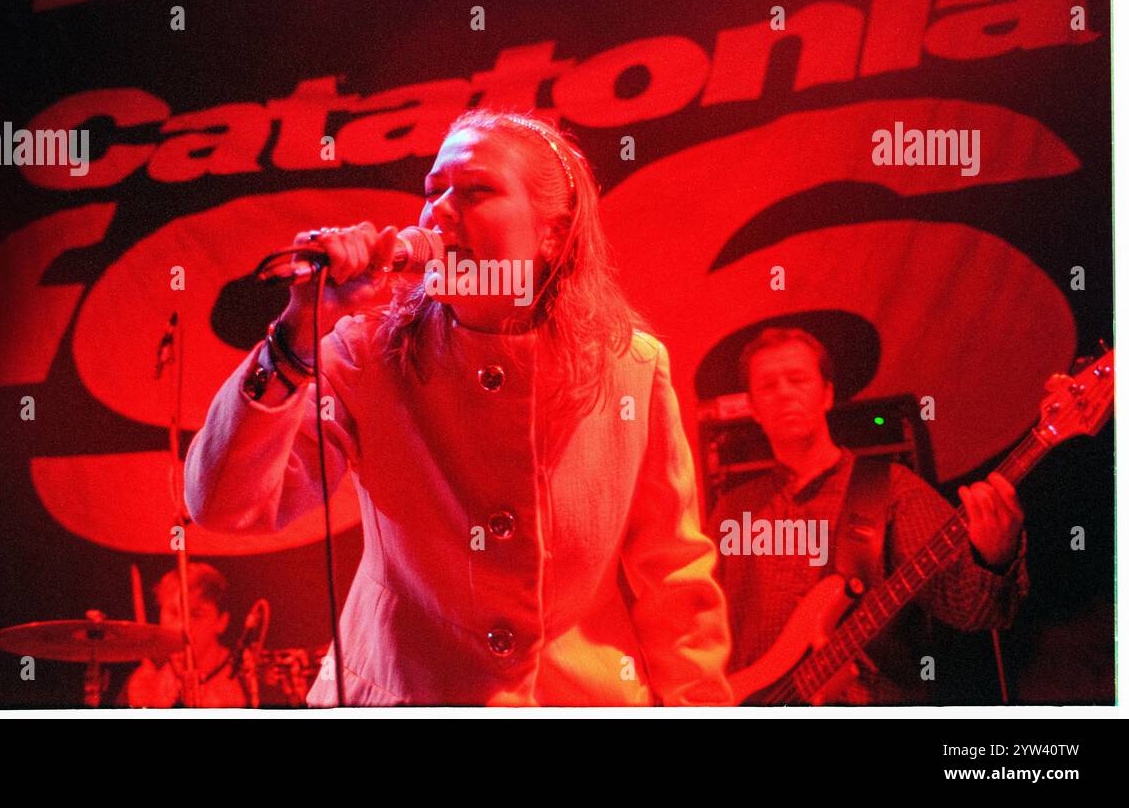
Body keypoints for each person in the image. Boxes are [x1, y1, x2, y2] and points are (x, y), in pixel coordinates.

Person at [185, 109, 732, 706]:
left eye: (475, 190)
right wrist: (294, 335)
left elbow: (673, 574)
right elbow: (223, 505)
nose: (438, 210)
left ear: (552, 231)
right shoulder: (365, 354)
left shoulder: (631, 367)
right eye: (432, 191)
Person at [711, 327, 1029, 703]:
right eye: (767, 385)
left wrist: (993, 559)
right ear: (752, 408)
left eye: (797, 379)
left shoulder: (889, 489)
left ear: (827, 394)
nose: (784, 393)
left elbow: (973, 611)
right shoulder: (733, 508)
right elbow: (699, 626)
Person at [122, 563, 247, 708]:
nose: (181, 626)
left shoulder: (245, 678)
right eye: (173, 613)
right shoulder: (145, 681)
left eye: (195, 614)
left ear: (222, 622)